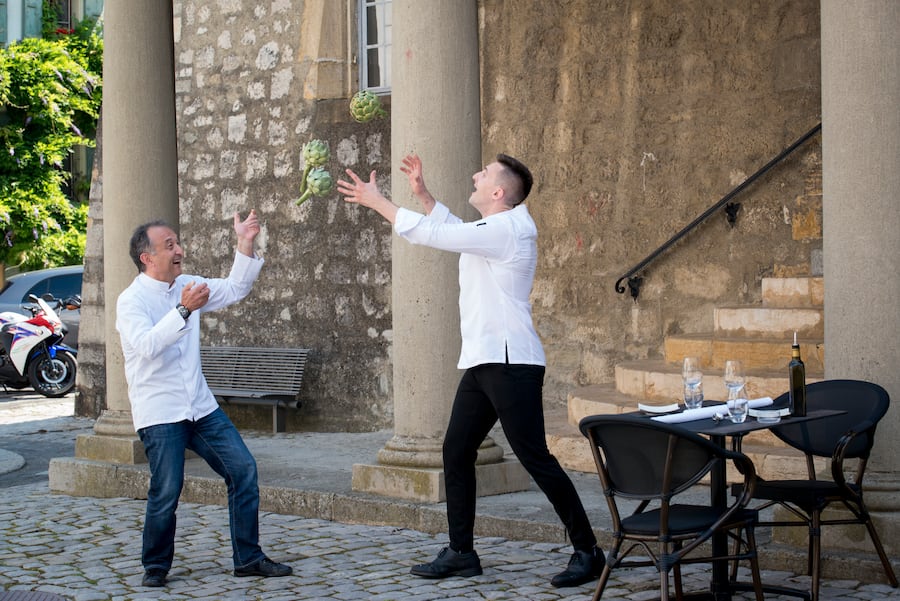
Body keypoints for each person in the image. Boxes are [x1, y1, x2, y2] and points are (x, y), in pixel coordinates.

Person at [337, 154, 605, 588]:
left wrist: (378, 202)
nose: (475, 175)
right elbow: (454, 233)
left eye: (484, 175)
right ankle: (462, 551)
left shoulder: (509, 228)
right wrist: (425, 197)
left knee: (535, 457)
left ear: (498, 193)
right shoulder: (494, 229)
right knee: (456, 450)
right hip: (484, 360)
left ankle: (588, 551)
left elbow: (436, 237)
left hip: (510, 361)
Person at [116, 211, 292, 588]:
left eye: (177, 242)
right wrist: (183, 310)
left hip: (200, 406)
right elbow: (146, 346)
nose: (180, 249)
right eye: (170, 246)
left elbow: (235, 288)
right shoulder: (130, 301)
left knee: (243, 470)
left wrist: (245, 242)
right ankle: (156, 566)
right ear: (147, 257)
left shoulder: (190, 284)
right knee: (167, 488)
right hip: (160, 412)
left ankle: (248, 558)